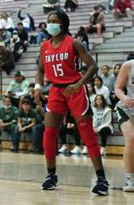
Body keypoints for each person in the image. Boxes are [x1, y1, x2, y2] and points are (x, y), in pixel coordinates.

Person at [34, 10, 110, 195]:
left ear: (63, 24)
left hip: (74, 89)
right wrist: (37, 88)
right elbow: (40, 70)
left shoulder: (73, 43)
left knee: (87, 134)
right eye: (49, 20)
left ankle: (101, 179)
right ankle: (51, 175)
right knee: (49, 132)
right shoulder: (44, 46)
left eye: (55, 21)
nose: (51, 24)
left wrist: (78, 84)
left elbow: (92, 66)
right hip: (55, 90)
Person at [114, 60, 134, 192]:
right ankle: (130, 179)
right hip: (127, 108)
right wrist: (124, 97)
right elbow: (118, 88)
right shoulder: (129, 65)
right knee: (132, 138)